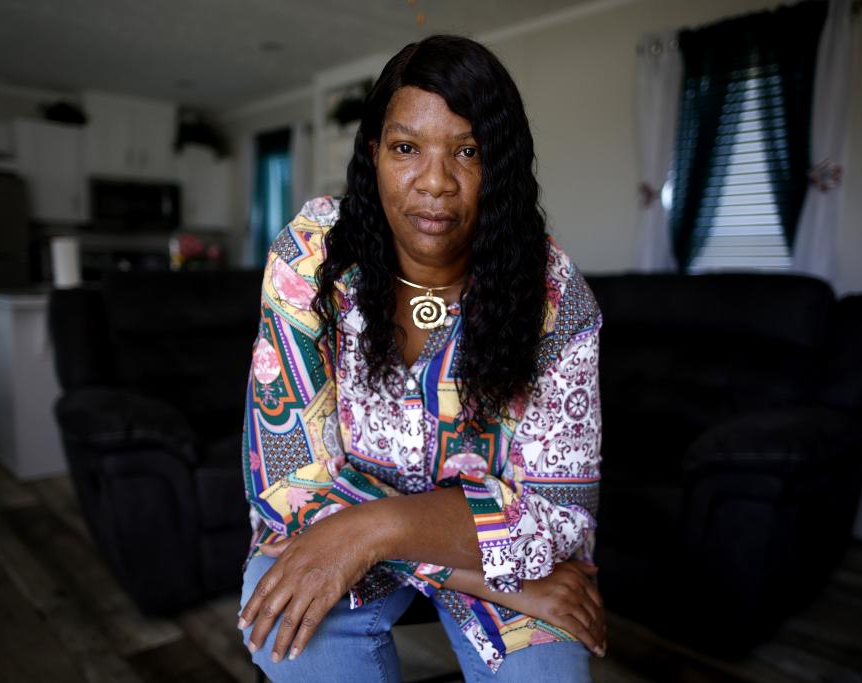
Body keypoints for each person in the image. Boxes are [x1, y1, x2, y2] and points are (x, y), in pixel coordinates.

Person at [238, 34, 605, 682]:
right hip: (366, 527)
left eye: (468, 151)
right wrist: (492, 580)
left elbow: (558, 517)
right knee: (289, 634)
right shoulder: (312, 257)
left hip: (490, 549)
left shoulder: (555, 297)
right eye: (407, 148)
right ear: (374, 153)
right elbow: (290, 481)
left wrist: (379, 529)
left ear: (501, 166)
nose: (435, 182)